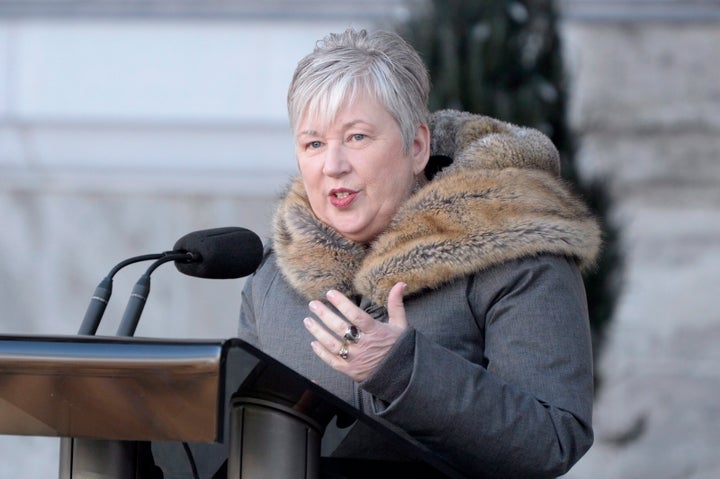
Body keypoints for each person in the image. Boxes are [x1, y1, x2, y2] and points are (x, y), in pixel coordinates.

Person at [238, 28, 601, 478]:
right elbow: (236, 441)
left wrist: (403, 370)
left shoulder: (517, 250)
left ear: (416, 146)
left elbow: (553, 440)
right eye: (314, 143)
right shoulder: (275, 276)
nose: (333, 165)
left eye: (356, 138)